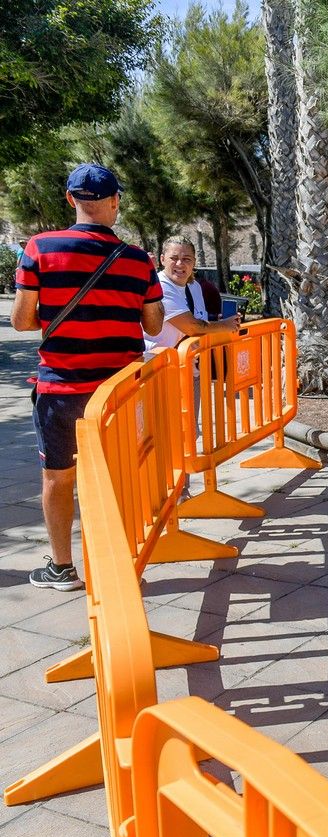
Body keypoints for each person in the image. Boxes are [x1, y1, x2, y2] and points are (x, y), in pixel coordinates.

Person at [10, 163, 164, 592]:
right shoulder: (137, 260)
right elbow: (153, 326)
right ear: (115, 201)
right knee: (124, 473)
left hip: (61, 388)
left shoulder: (40, 248)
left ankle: (62, 568)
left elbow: (21, 321)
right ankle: (124, 562)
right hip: (120, 392)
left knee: (58, 478)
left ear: (70, 199)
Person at [144, 236, 241, 352]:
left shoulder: (194, 287)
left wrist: (217, 321)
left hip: (190, 364)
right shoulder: (159, 286)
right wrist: (225, 325)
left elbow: (199, 320)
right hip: (160, 365)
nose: (180, 264)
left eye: (186, 259)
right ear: (162, 259)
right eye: (174, 258)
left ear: (194, 262)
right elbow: (192, 327)